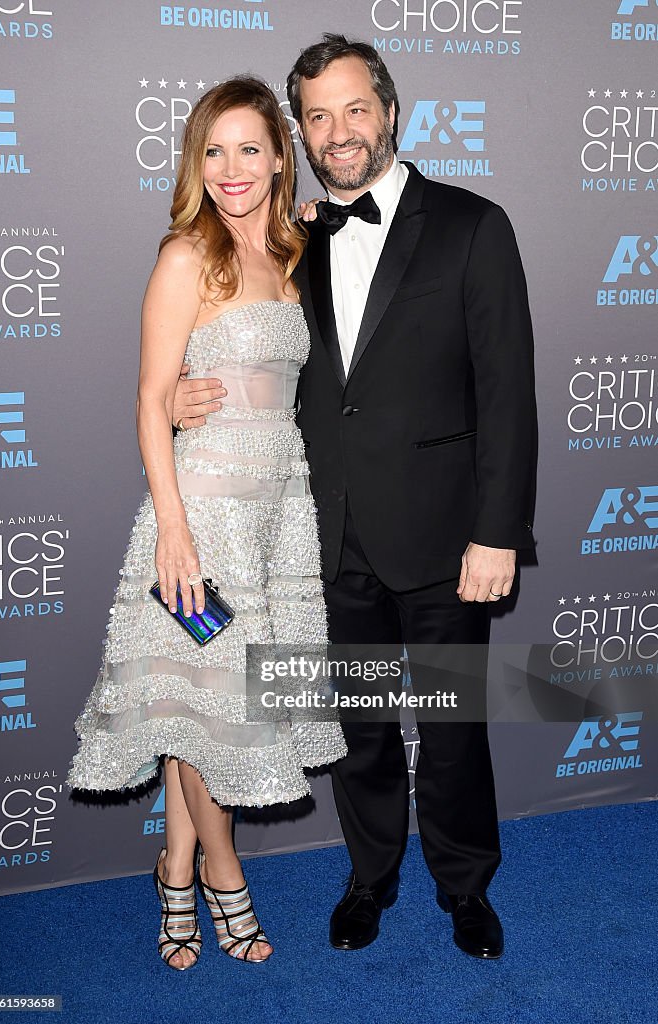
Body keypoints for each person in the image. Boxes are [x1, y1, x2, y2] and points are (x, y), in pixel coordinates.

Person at [172, 36, 537, 961]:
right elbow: (242, 354)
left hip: (446, 537)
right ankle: (367, 878)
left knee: (452, 729)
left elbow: (506, 394)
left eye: (354, 109)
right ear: (302, 129)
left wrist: (495, 533)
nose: (338, 132)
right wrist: (179, 397)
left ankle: (464, 886)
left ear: (389, 112)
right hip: (321, 537)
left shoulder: (470, 224)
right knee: (360, 728)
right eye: (318, 116)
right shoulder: (283, 239)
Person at [66, 76, 346, 970]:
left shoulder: (296, 253)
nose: (232, 169)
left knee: (205, 702)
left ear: (279, 155)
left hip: (280, 516)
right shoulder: (188, 256)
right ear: (198, 162)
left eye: (250, 149)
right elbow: (151, 400)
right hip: (204, 514)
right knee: (209, 705)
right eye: (213, 151)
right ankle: (224, 875)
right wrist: (173, 531)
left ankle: (174, 865)